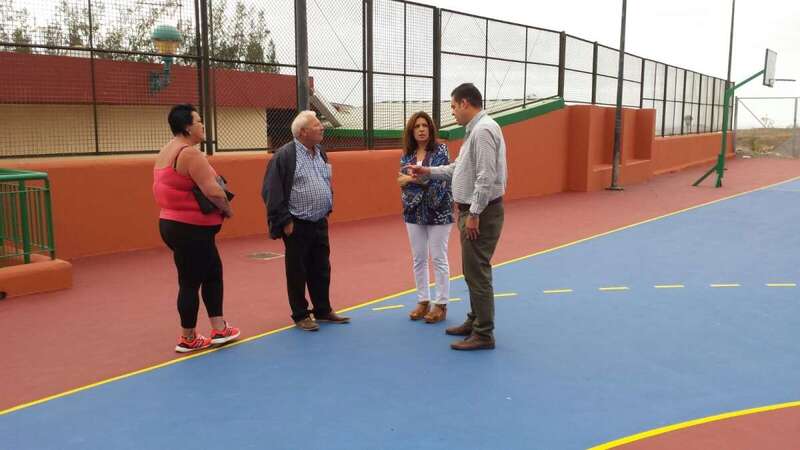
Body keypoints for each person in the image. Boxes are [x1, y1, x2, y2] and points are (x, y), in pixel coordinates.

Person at [405, 83, 507, 351]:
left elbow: (486, 176)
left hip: (480, 213)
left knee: (478, 272)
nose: (452, 111)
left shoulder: (483, 131)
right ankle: (475, 322)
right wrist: (427, 172)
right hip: (471, 211)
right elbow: (456, 169)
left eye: (452, 105)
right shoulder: (474, 130)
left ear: (465, 103)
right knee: (473, 272)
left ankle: (484, 333)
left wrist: (473, 213)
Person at [153, 104, 240, 353]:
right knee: (191, 281)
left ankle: (219, 328)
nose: (203, 125)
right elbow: (213, 190)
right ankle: (188, 338)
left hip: (173, 224)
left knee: (211, 272)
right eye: (199, 121)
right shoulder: (190, 154)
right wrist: (227, 209)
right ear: (187, 126)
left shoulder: (166, 151)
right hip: (190, 228)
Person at [261, 110, 350, 331]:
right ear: (302, 132)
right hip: (296, 224)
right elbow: (270, 191)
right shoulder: (284, 156)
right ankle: (300, 314)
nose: (322, 127)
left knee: (321, 267)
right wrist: (284, 221)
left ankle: (322, 309)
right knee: (297, 270)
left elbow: (324, 179)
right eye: (317, 124)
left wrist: (327, 205)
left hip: (319, 221)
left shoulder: (319, 152)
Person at [397, 111, 454, 324]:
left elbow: (440, 184)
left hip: (439, 212)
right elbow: (403, 187)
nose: (421, 129)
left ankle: (441, 304)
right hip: (413, 213)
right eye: (417, 126)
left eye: (425, 125)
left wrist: (412, 180)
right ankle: (423, 300)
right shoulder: (407, 155)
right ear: (412, 131)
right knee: (418, 258)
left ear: (430, 129)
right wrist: (420, 180)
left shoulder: (440, 151)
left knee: (438, 257)